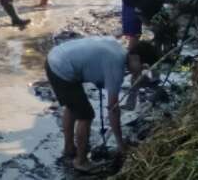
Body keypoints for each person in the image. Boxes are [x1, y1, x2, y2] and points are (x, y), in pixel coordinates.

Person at [45, 36, 159, 172]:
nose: (141, 72)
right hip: (61, 68)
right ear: (135, 58)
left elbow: (96, 61)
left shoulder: (118, 49)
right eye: (143, 68)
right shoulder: (116, 66)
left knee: (73, 106)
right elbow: (113, 109)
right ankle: (80, 161)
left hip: (55, 57)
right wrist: (120, 144)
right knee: (86, 115)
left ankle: (69, 148)